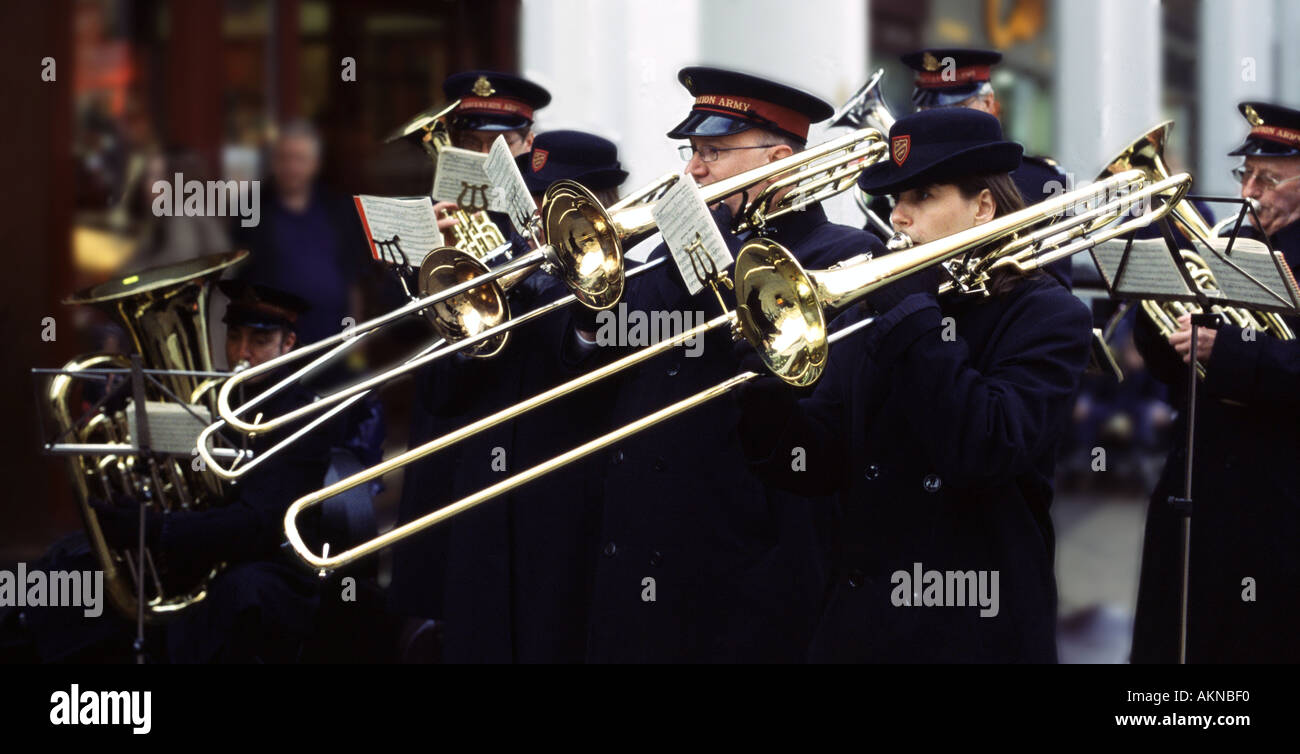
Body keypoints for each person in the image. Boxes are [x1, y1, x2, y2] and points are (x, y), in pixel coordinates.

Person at [736, 108, 1093, 662]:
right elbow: (819, 461)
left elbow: (986, 448)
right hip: (861, 625)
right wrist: (765, 390)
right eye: (893, 201)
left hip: (970, 629)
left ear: (983, 206)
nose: (898, 217)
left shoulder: (1048, 314)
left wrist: (913, 313)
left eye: (922, 196)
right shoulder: (892, 307)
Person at [565, 67, 883, 662]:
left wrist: (726, 264)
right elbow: (611, 342)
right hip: (638, 554)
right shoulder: (672, 248)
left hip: (744, 569)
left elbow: (822, 413)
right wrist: (590, 288)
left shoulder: (839, 257)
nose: (693, 170)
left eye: (713, 151)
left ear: (780, 162)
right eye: (693, 151)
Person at [388, 130, 627, 663]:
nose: (539, 216)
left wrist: (582, 307)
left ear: (595, 204)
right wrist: (448, 302)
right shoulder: (502, 269)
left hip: (568, 512)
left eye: (555, 203)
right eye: (534, 200)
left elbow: (596, 372)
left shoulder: (628, 280)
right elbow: (444, 397)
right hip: (485, 508)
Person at [1131, 101, 1300, 663]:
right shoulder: (1223, 238)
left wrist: (1229, 353)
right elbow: (1164, 365)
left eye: (1270, 179)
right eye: (1245, 175)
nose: (1251, 190)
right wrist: (1156, 303)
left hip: (1278, 485)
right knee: (1180, 625)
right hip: (1198, 472)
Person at [232, 120, 373, 350]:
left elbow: (353, 279)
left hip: (333, 337)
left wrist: (355, 333)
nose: (291, 167)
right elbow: (239, 282)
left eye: (299, 159)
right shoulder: (251, 210)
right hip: (271, 342)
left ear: (315, 164)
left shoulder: (338, 208)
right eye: (284, 158)